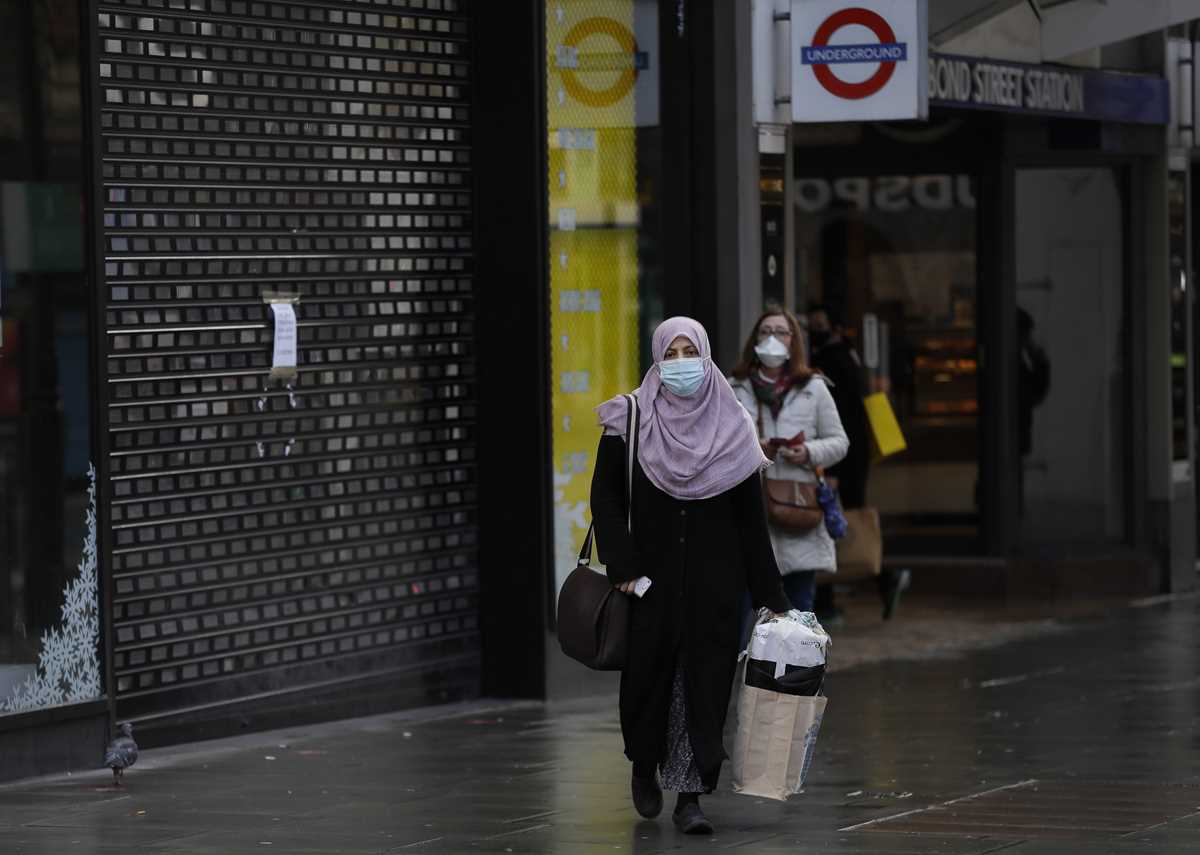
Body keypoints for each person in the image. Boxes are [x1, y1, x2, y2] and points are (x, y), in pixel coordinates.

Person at [591, 317, 792, 836]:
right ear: (657, 358)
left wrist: (772, 596)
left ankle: (690, 796)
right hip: (649, 586)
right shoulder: (630, 419)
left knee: (703, 688)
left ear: (706, 356)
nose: (681, 363)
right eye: (671, 353)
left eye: (690, 352)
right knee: (647, 683)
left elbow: (750, 522)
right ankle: (643, 764)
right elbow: (606, 499)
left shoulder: (734, 426)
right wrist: (623, 568)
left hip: (715, 588)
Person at [729, 307, 849, 622]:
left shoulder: (813, 387)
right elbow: (717, 444)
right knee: (746, 618)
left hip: (797, 511)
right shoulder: (734, 387)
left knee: (798, 618)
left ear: (793, 340)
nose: (773, 338)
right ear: (755, 339)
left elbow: (840, 442)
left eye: (781, 332)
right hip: (751, 510)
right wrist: (753, 448)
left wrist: (807, 451)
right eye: (766, 331)